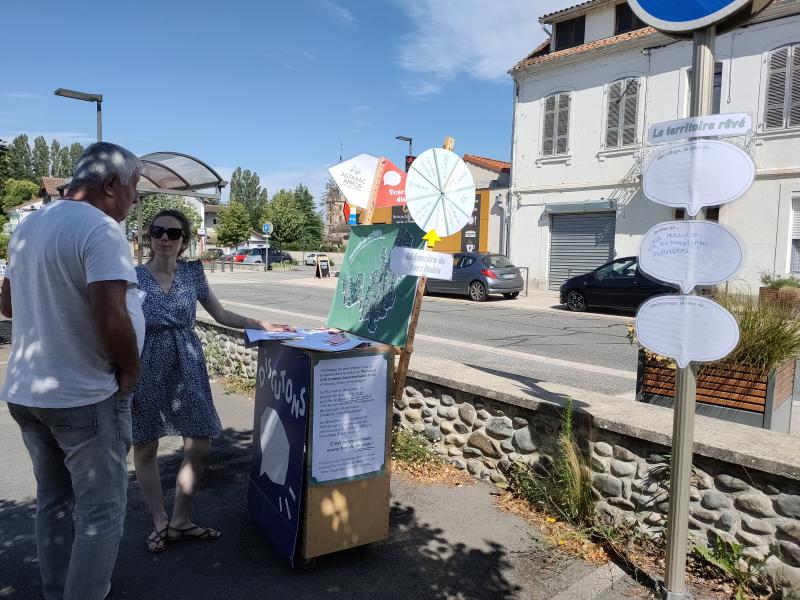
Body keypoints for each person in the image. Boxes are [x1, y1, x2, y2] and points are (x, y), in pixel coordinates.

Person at [0, 142, 142, 600]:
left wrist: (51, 315)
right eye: (134, 188)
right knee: (102, 513)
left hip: (27, 392)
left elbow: (6, 303)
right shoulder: (101, 230)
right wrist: (130, 370)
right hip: (81, 394)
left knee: (55, 501)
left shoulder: (29, 227)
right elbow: (111, 318)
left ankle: (57, 590)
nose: (135, 199)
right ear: (111, 184)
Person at [132, 209, 293, 553]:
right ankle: (160, 520)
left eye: (173, 234)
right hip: (147, 364)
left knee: (201, 446)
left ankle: (180, 519)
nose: (164, 238)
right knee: (146, 446)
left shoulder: (192, 273)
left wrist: (262, 325)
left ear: (184, 241)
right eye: (158, 231)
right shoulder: (132, 277)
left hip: (187, 361)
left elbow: (219, 314)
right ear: (150, 237)